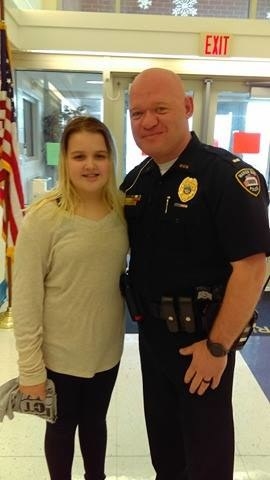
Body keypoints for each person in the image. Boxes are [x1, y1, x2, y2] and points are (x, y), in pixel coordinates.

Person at [120, 68, 270, 480]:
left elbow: (252, 269)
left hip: (203, 343)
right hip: (152, 341)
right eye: (137, 112)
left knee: (206, 460)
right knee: (166, 454)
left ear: (188, 107)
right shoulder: (136, 182)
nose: (147, 121)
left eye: (160, 108)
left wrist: (218, 348)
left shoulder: (227, 178)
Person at [12, 116, 129, 480]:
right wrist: (30, 370)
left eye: (99, 155)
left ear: (111, 158)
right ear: (64, 161)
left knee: (95, 423)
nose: (90, 165)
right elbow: (26, 299)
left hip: (107, 352)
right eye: (79, 156)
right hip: (59, 356)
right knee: (62, 429)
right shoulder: (44, 219)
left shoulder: (124, 211)